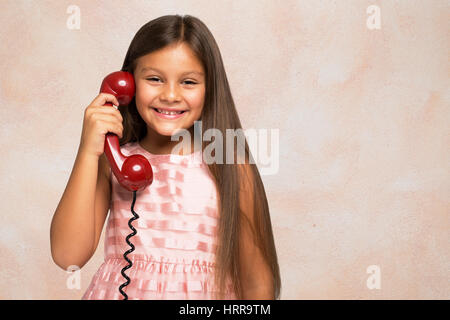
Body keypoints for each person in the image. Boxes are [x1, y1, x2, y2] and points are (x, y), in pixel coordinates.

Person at [50, 14, 281, 300]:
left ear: (209, 89)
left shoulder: (229, 165)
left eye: (188, 82)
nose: (171, 95)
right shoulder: (114, 160)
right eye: (155, 79)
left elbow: (258, 284)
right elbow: (67, 255)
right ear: (127, 84)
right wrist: (88, 150)